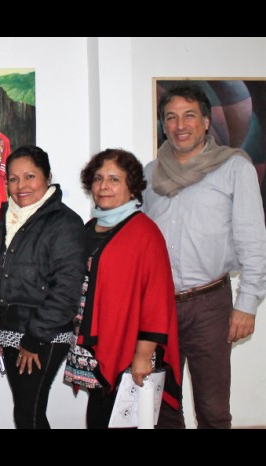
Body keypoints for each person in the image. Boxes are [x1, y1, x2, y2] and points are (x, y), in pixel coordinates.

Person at [144, 84, 266, 429]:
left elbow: (254, 239)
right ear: (163, 124)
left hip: (210, 305)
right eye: (171, 117)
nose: (180, 125)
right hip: (158, 307)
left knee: (212, 408)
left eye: (189, 115)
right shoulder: (151, 174)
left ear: (206, 121)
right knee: (162, 404)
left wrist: (246, 304)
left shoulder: (233, 168)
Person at [64, 149, 182, 429]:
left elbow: (157, 300)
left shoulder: (144, 233)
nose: (104, 186)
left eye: (114, 179)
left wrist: (142, 356)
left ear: (132, 188)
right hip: (99, 343)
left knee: (119, 422)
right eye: (98, 178)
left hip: (130, 349)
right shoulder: (91, 226)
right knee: (100, 419)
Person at [0, 145, 86, 429]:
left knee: (27, 414)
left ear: (48, 176)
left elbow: (66, 291)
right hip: (10, 328)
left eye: (30, 176)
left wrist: (33, 340)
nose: (21, 186)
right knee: (26, 411)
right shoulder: (8, 217)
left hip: (43, 334)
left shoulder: (65, 223)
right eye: (14, 179)